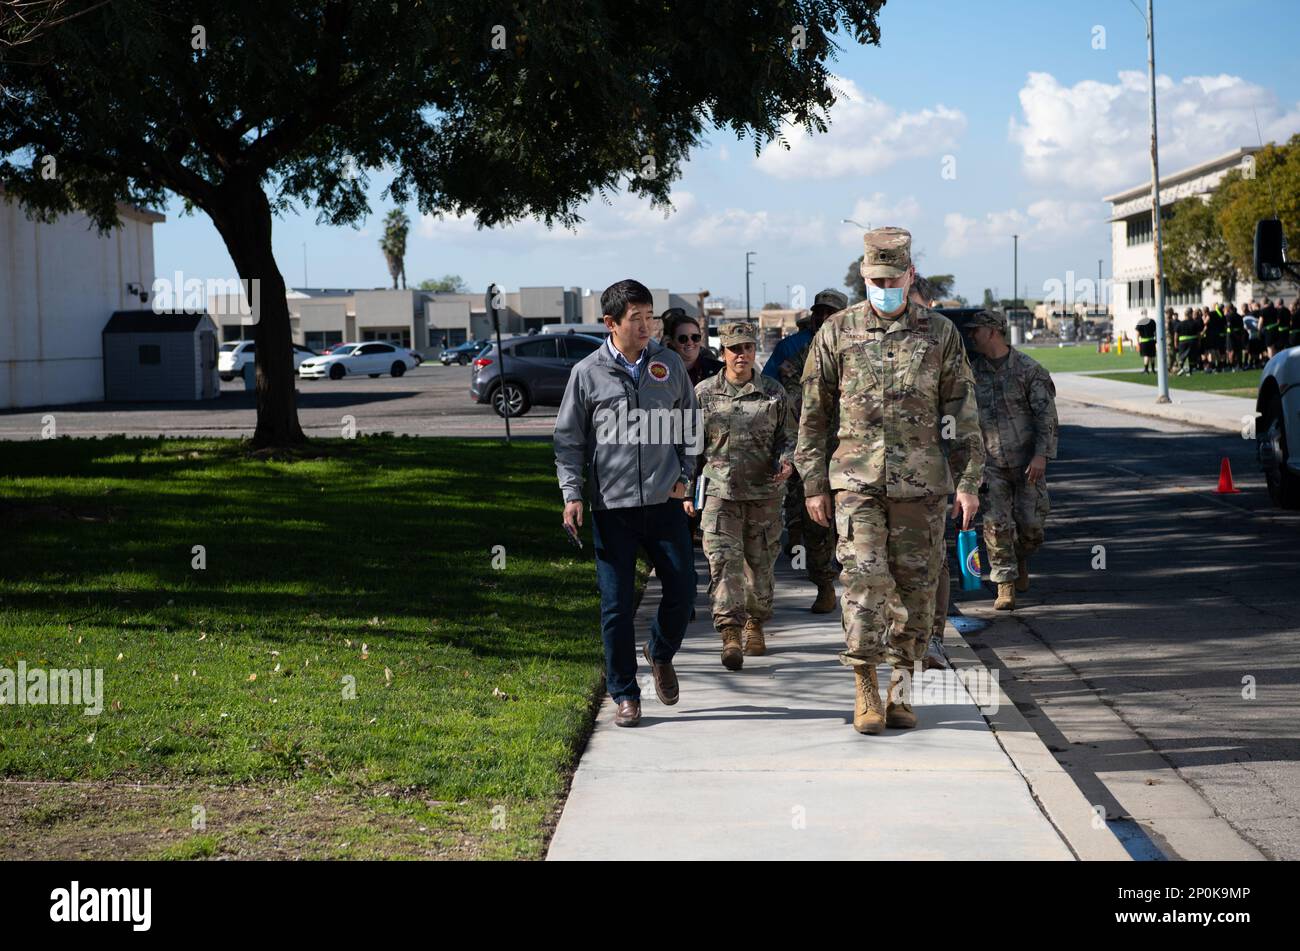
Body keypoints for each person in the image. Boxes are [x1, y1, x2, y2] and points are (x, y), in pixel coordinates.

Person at [796, 227, 983, 736]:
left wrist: (969, 482)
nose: (884, 285)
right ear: (862, 274)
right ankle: (865, 688)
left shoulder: (940, 334)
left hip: (921, 488)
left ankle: (901, 689)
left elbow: (963, 415)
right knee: (863, 583)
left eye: (893, 277)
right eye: (875, 278)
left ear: (910, 274)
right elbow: (812, 415)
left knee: (917, 594)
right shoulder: (836, 331)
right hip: (856, 484)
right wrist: (813, 483)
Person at [554, 279, 699, 728]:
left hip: (663, 502)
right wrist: (572, 493)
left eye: (649, 316)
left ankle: (659, 650)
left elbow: (689, 424)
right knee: (615, 605)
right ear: (611, 323)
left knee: (684, 591)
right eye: (635, 319)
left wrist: (685, 475)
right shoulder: (587, 373)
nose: (646, 326)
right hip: (611, 508)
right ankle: (625, 693)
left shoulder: (668, 363)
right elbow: (569, 440)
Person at [686, 321, 795, 668]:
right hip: (719, 494)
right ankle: (729, 633)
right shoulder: (703, 394)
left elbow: (789, 437)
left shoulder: (774, 392)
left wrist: (786, 460)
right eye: (735, 348)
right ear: (723, 353)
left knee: (760, 566)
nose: (742, 354)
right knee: (723, 563)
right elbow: (690, 447)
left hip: (764, 494)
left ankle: (755, 622)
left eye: (747, 347)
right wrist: (687, 489)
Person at [964, 310, 1059, 611]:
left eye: (975, 330)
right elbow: (963, 420)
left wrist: (1042, 454)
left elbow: (1047, 416)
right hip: (990, 464)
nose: (971, 335)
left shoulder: (1029, 370)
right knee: (996, 526)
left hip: (1028, 462)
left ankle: (1018, 559)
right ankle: (1004, 585)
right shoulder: (970, 372)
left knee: (1032, 528)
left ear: (992, 331)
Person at [762, 288, 848, 613]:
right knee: (813, 519)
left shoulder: (853, 347)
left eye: (831, 312)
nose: (824, 318)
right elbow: (767, 386)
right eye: (820, 312)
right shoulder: (792, 348)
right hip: (805, 446)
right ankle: (824, 583)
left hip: (846, 449)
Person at [663, 307, 723, 387]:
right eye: (683, 338)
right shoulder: (661, 370)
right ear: (672, 342)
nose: (690, 342)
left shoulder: (719, 370)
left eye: (695, 337)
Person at [1175, 307, 1199, 375]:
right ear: (1191, 314)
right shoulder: (1195, 323)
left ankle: (1181, 369)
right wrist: (1199, 342)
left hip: (1182, 343)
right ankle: (1190, 371)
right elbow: (1198, 334)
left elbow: (1176, 335)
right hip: (1193, 342)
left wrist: (1175, 343)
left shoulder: (1180, 324)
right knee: (1191, 357)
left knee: (1182, 356)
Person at [1203, 303, 1226, 373]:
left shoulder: (1212, 313)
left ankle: (1213, 366)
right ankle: (1219, 365)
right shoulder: (1222, 315)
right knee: (1217, 350)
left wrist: (1204, 318)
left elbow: (1205, 322)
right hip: (1217, 334)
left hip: (1211, 334)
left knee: (1212, 350)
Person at [1225, 303, 1244, 371]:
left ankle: (1232, 366)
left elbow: (1229, 327)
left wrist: (1233, 334)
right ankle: (1240, 365)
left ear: (1228, 308)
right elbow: (1242, 327)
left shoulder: (1229, 316)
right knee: (1239, 350)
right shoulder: (1239, 316)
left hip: (1231, 335)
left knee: (1231, 350)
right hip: (1239, 334)